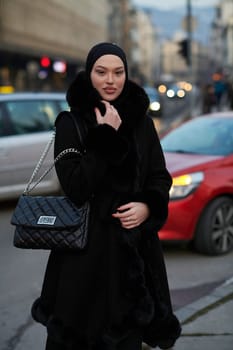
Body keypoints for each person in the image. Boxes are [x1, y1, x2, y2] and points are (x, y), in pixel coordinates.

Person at [31, 42, 181, 350]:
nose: (110, 80)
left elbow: (159, 176)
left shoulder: (141, 122)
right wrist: (106, 137)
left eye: (118, 72)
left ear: (127, 74)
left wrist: (147, 206)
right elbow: (76, 188)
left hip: (132, 260)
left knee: (127, 339)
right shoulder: (70, 124)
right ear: (89, 74)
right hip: (83, 260)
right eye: (101, 72)